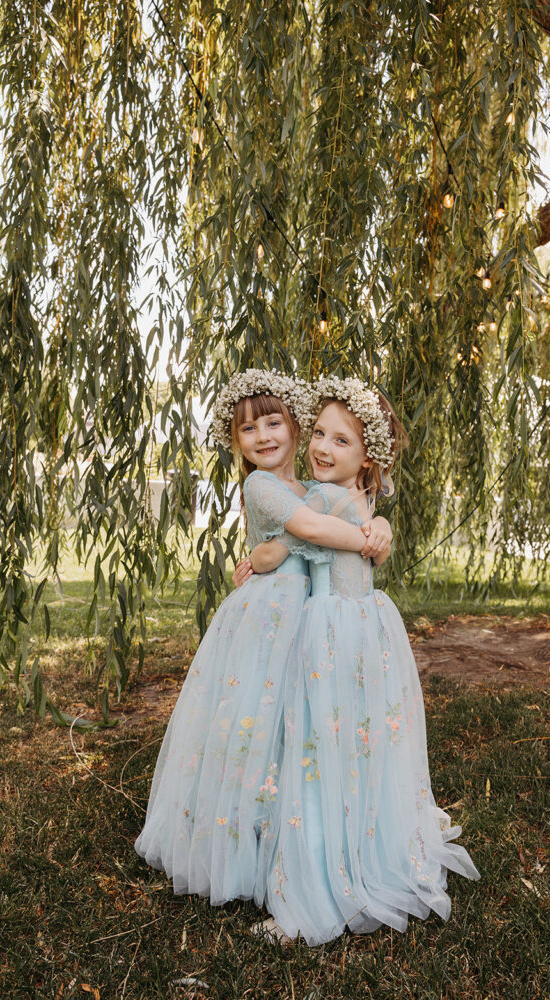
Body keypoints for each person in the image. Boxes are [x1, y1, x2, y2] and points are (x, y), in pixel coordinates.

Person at [134, 369, 392, 911]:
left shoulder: (315, 487)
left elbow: (332, 512)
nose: (265, 437)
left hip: (309, 620)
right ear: (237, 443)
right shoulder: (261, 485)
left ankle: (289, 829)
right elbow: (316, 531)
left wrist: (381, 527)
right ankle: (245, 836)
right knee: (254, 718)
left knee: (294, 726)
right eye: (249, 430)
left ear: (295, 427)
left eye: (274, 423)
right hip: (268, 619)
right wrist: (367, 538)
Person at [235, 376, 480, 945]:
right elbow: (321, 534)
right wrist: (375, 533)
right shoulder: (358, 502)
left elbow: (285, 545)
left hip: (332, 637)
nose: (321, 447)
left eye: (339, 441)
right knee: (360, 742)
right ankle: (364, 840)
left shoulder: (325, 497)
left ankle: (313, 894)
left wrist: (261, 554)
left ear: (367, 457)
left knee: (318, 749)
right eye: (318, 433)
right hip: (367, 629)